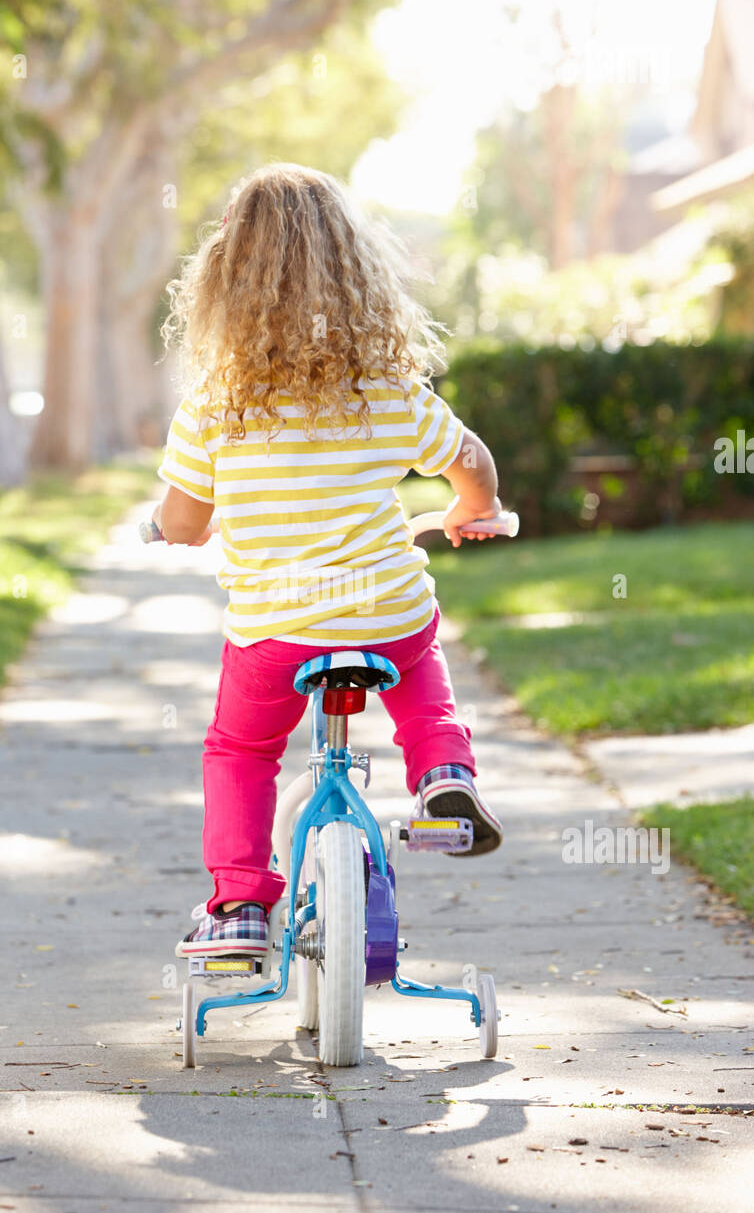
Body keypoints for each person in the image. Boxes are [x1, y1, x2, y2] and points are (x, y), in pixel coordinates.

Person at [151, 163, 503, 959]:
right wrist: (472, 507)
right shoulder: (384, 388)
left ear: (225, 283)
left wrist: (169, 528)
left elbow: (183, 519)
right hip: (385, 614)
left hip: (277, 633)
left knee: (240, 749)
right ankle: (445, 781)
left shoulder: (215, 406)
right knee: (421, 678)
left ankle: (239, 904)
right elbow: (470, 456)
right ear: (357, 275)